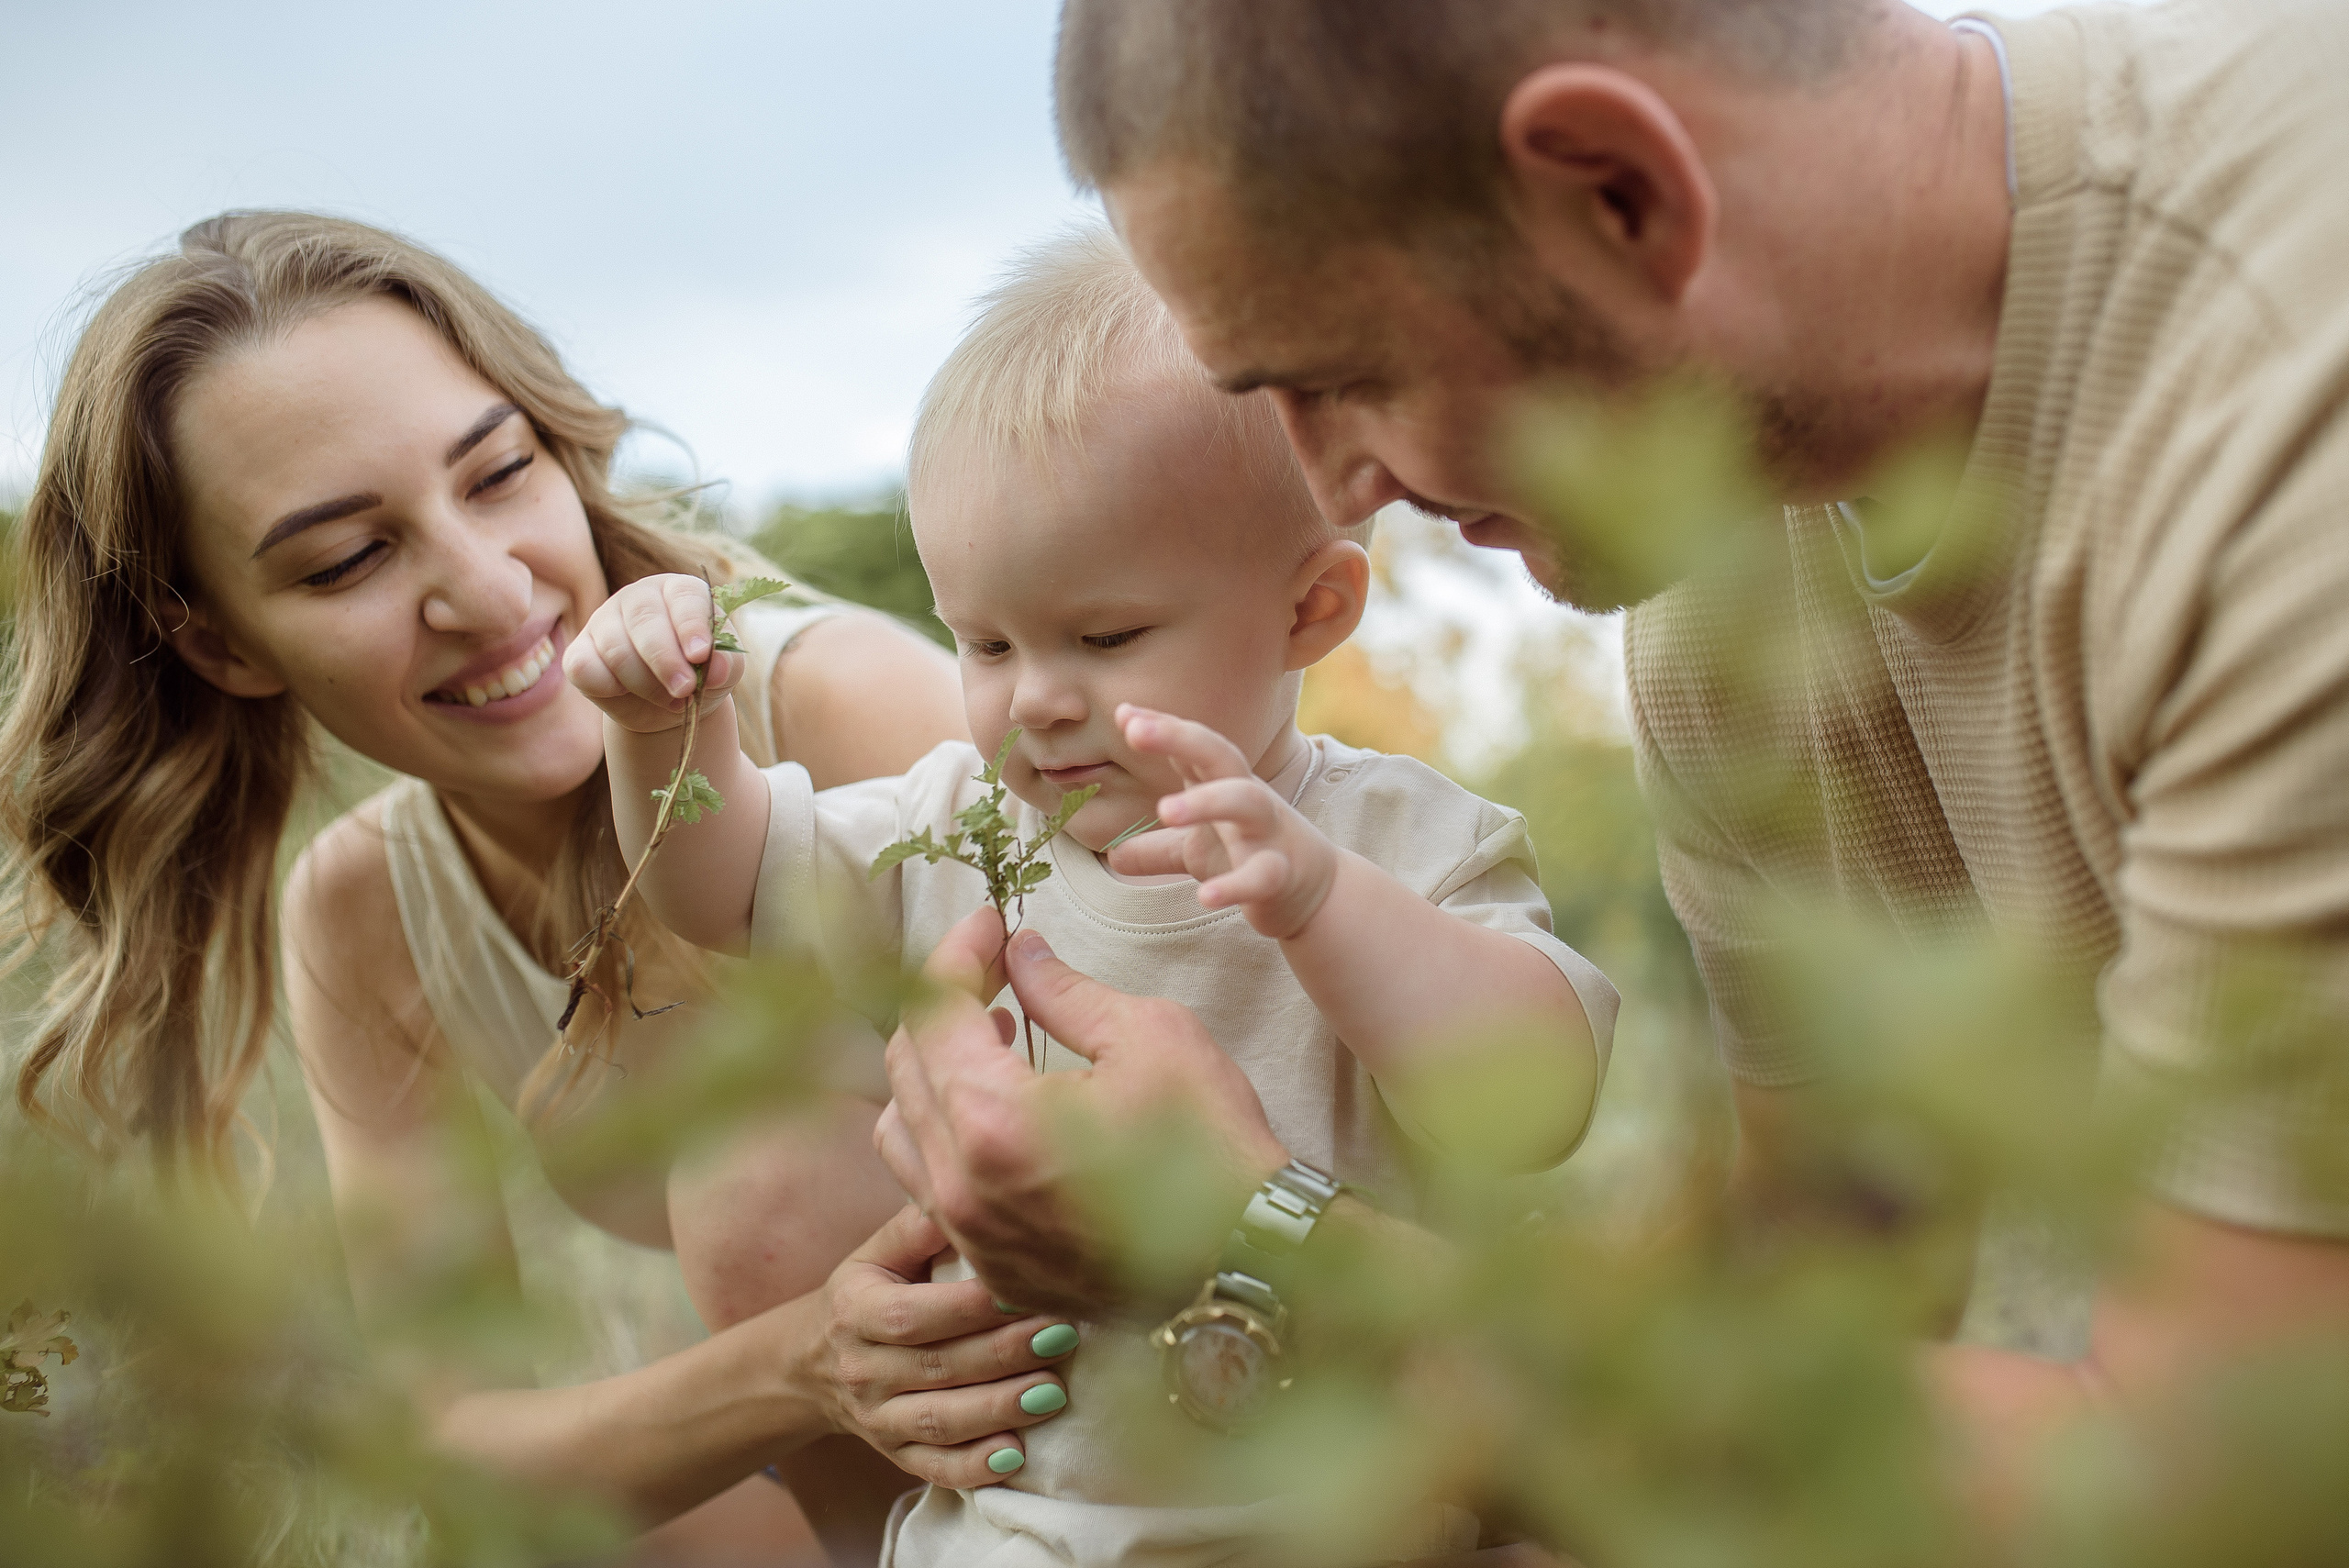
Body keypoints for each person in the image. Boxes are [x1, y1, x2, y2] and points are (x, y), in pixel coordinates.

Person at [875, 0, 2349, 1549]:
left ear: (1618, 190)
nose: (1333, 488)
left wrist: (1254, 1235)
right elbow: (1831, 1290)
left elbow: (2227, 1479)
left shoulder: (2277, 431)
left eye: (1342, 375)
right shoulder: (1724, 598)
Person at [0, 210, 1074, 1565]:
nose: (487, 588)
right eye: (347, 559)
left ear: (558, 451)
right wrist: (803, 1361)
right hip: (876, 1483)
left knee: (759, 1176)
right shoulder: (365, 907)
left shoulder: (835, 709)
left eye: (498, 474)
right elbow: (450, 1440)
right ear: (222, 646)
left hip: (1130, 1419)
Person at [569, 228, 1619, 1566]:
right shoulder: (957, 823)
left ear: (1312, 609)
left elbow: (1535, 1095)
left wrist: (1320, 902)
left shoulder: (1395, 839)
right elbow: (719, 888)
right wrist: (663, 732)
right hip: (1022, 1525)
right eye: (984, 641)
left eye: (1107, 636)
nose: (1037, 696)